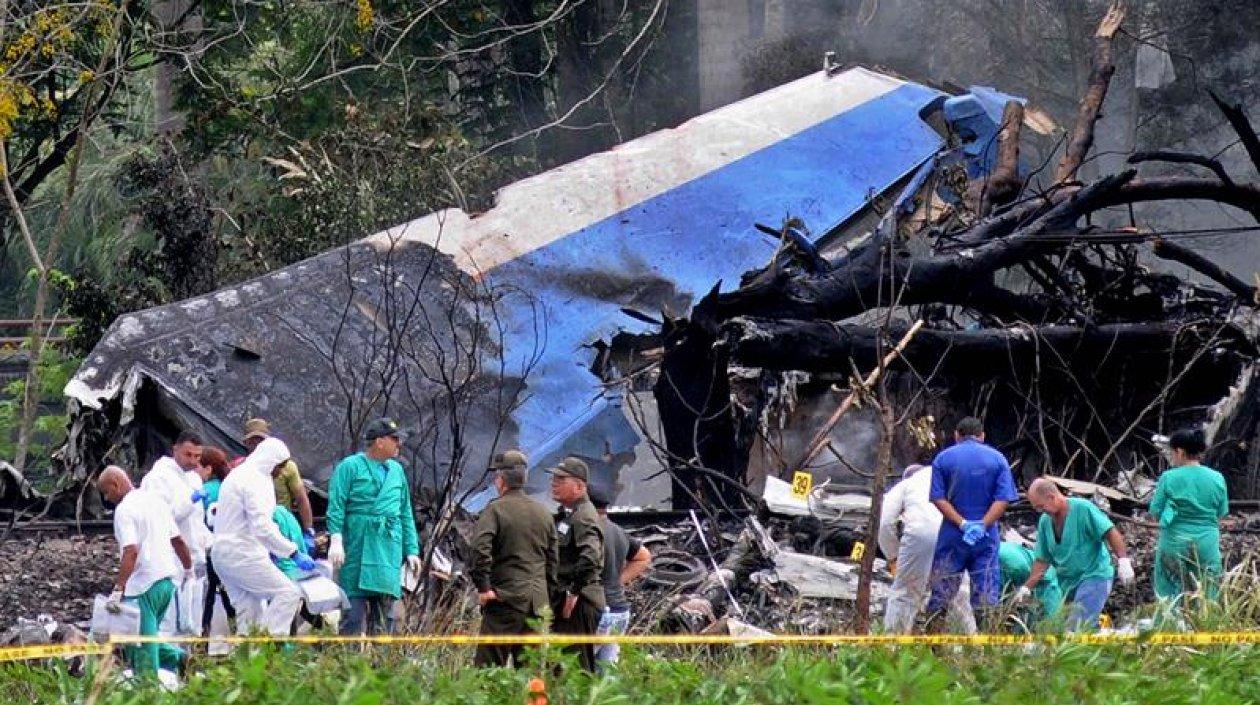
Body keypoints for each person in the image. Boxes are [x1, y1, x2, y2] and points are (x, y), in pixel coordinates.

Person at [327, 418, 422, 636]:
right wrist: (336, 539)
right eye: (394, 439)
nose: (399, 444)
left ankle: (380, 658)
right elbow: (337, 505)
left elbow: (405, 512)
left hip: (387, 549)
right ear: (379, 442)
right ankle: (347, 657)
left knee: (385, 618)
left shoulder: (397, 471)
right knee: (352, 616)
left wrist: (411, 550)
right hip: (357, 546)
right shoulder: (350, 467)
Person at [98, 466, 194, 677]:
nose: (107, 498)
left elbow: (131, 551)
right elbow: (178, 540)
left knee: (141, 648)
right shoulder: (156, 501)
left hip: (143, 587)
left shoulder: (125, 510)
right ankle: (181, 660)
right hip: (166, 583)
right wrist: (188, 570)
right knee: (141, 638)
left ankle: (147, 687)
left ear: (116, 483)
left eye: (106, 492)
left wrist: (118, 588)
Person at [211, 437, 312, 636]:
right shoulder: (255, 480)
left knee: (250, 612)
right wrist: (292, 552)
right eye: (280, 466)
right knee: (288, 593)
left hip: (224, 554)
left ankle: (249, 653)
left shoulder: (241, 474)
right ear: (270, 461)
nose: (281, 472)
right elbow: (262, 527)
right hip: (242, 553)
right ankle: (269, 645)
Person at [927, 417, 1020, 626]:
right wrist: (982, 525)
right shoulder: (998, 459)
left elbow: (937, 498)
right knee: (986, 596)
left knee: (941, 593)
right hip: (985, 537)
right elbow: (1003, 499)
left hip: (952, 535)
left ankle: (932, 642)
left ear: (956, 435)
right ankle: (987, 643)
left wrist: (963, 524)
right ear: (982, 436)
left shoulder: (943, 459)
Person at [470, 450, 558, 668]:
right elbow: (553, 561)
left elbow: (480, 549)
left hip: (505, 600)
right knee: (531, 673)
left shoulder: (495, 510)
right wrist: (546, 597)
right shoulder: (544, 513)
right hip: (538, 604)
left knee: (488, 670)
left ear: (500, 480)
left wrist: (483, 587)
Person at [1017, 478, 1134, 630]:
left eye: (1041, 507)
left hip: (1094, 576)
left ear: (1052, 497)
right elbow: (1042, 560)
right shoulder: (1045, 521)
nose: (1040, 511)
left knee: (1076, 628)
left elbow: (1109, 531)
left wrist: (1123, 561)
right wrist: (1027, 587)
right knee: (1064, 628)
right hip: (1067, 583)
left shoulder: (1082, 509)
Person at [877, 464, 977, 634]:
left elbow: (884, 522)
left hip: (922, 533)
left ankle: (893, 642)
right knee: (959, 593)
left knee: (906, 593)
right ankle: (968, 643)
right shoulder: (951, 480)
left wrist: (893, 555)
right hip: (956, 533)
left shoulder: (906, 485)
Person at [1150, 429, 1229, 601]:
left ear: (1180, 451)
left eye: (1172, 452)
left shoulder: (1168, 477)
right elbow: (1221, 513)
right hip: (1207, 543)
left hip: (1174, 542)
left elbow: (1155, 512)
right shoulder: (1217, 478)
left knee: (1169, 595)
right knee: (1207, 593)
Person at [548, 456, 604, 672]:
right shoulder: (569, 515)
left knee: (574, 668)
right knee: (562, 666)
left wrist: (573, 592)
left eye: (561, 480)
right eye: (554, 478)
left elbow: (590, 557)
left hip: (579, 602)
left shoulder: (583, 516)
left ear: (580, 486)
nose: (554, 483)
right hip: (568, 600)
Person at [590, 485, 650, 669]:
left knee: (579, 668)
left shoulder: (589, 530)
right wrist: (617, 582)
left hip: (599, 610)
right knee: (608, 675)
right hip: (620, 611)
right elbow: (644, 556)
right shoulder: (618, 531)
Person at [140, 430, 210, 576]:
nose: (193, 461)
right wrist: (191, 500)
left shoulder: (194, 478)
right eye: (188, 454)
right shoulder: (158, 478)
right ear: (175, 450)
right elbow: (162, 518)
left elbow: (196, 522)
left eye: (197, 456)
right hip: (172, 559)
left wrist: (210, 542)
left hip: (196, 556)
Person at [242, 418, 315, 537]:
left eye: (260, 441)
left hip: (282, 525)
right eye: (252, 442)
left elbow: (301, 499)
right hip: (254, 528)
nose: (257, 445)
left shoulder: (286, 466)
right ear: (246, 443)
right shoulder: (242, 470)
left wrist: (309, 529)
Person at [196, 447, 236, 640]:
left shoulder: (203, 491)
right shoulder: (230, 488)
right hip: (231, 549)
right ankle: (238, 634)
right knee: (230, 595)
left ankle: (202, 639)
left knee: (207, 598)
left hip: (209, 550)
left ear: (208, 468)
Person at [998, 540, 1062, 625]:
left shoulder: (1013, 565)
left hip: (1044, 583)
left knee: (1049, 625)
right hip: (1016, 582)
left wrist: (1025, 589)